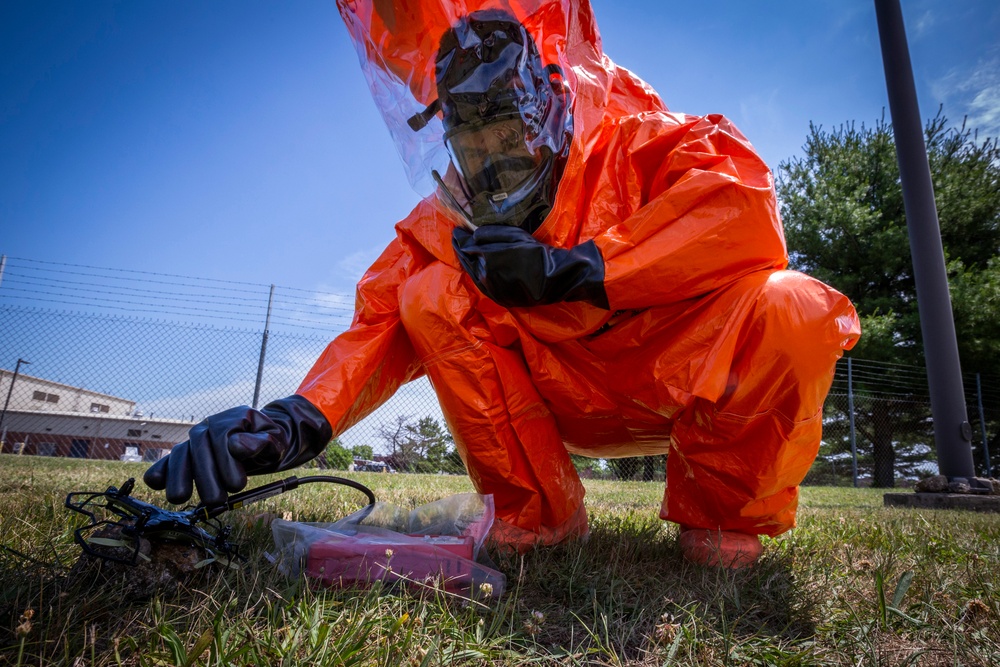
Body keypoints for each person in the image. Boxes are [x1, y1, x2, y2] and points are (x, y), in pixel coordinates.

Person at [145, 0, 860, 568]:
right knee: (426, 294)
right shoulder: (449, 220)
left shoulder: (641, 144)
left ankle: (721, 517)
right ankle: (536, 515)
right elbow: (377, 327)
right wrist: (293, 419)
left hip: (672, 373)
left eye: (503, 134)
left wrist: (577, 267)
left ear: (546, 111)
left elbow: (743, 211)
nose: (487, 159)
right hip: (556, 396)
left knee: (792, 307)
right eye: (469, 140)